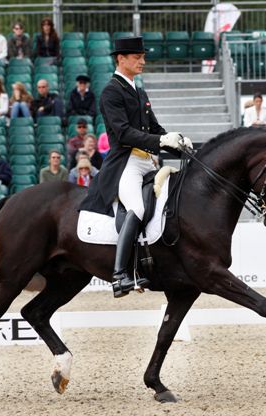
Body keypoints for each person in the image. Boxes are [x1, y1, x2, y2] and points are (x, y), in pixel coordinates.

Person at [78, 36, 190, 298]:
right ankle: (120, 275)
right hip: (126, 163)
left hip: (149, 162)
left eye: (143, 57)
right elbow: (124, 133)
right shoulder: (111, 92)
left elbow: (155, 129)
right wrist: (160, 140)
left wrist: (178, 143)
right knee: (137, 208)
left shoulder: (139, 91)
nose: (142, 61)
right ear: (121, 59)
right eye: (137, 57)